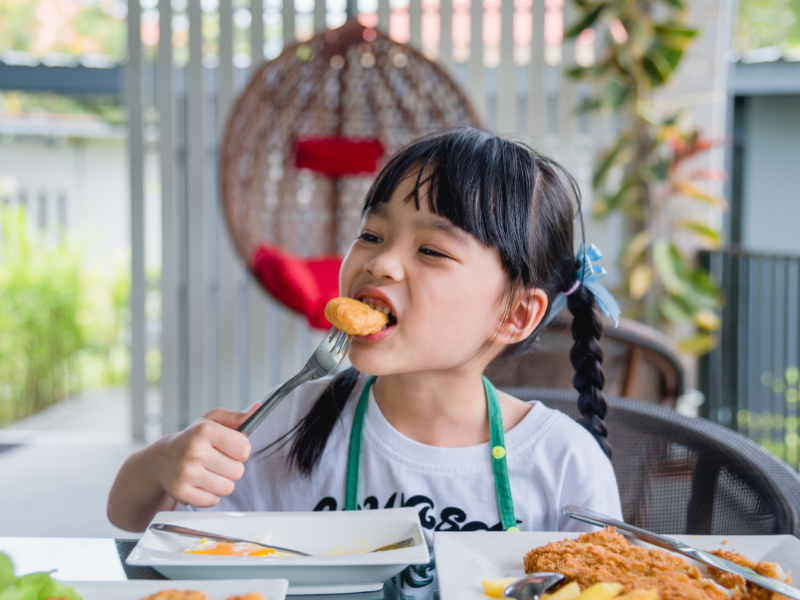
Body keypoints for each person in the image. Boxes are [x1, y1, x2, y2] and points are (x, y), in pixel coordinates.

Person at [108, 128, 622, 594]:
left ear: (515, 315)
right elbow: (136, 521)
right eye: (372, 235)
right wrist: (162, 464)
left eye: (432, 251)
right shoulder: (292, 421)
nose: (379, 262)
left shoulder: (564, 463)